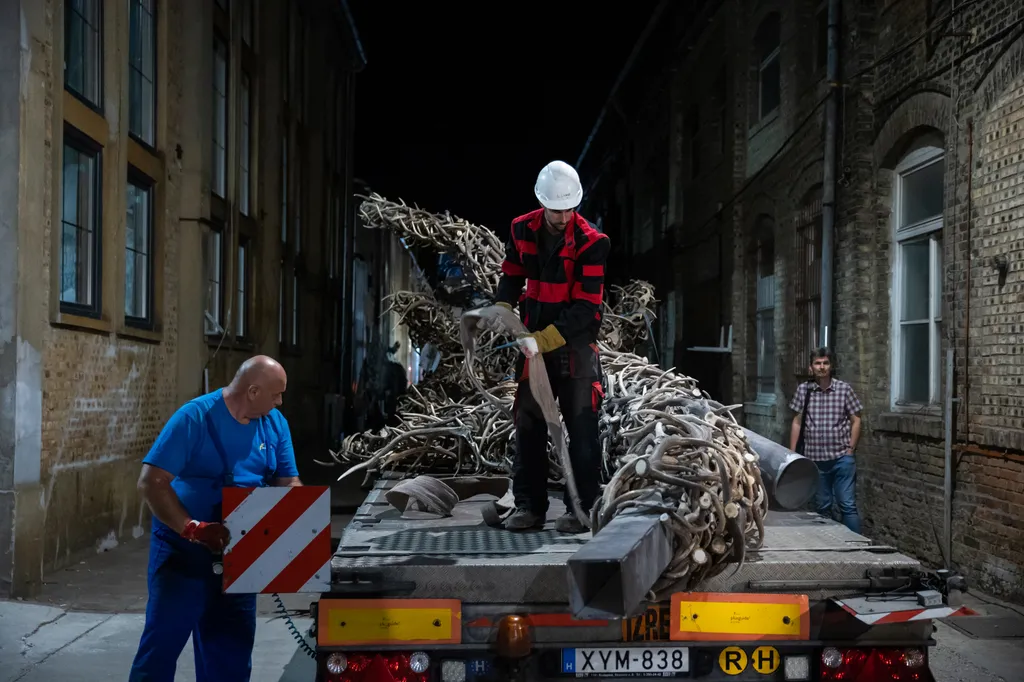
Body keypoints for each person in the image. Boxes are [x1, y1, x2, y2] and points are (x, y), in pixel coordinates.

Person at [128, 355, 302, 682]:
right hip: (184, 555)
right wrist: (192, 528)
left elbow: (287, 481)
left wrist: (293, 518)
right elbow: (151, 482)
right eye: (276, 394)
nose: (280, 401)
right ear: (253, 391)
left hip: (238, 559)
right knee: (160, 650)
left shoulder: (275, 423)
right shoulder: (194, 418)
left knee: (230, 656)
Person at [491, 160, 611, 534]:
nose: (563, 216)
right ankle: (529, 507)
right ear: (543, 203)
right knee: (528, 426)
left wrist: (540, 340)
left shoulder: (593, 243)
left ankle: (582, 511)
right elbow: (512, 276)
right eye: (557, 209)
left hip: (575, 349)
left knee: (582, 430)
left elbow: (587, 309)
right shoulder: (521, 229)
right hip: (533, 349)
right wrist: (503, 307)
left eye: (569, 208)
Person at [788, 347, 863, 533]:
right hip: (815, 460)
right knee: (822, 506)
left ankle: (858, 547)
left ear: (831, 366)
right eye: (817, 363)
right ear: (811, 367)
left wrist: (850, 449)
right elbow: (797, 421)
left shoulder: (844, 390)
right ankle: (829, 544)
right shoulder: (804, 390)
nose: (822, 367)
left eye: (825, 363)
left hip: (841, 458)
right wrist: (792, 452)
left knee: (847, 504)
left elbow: (856, 419)